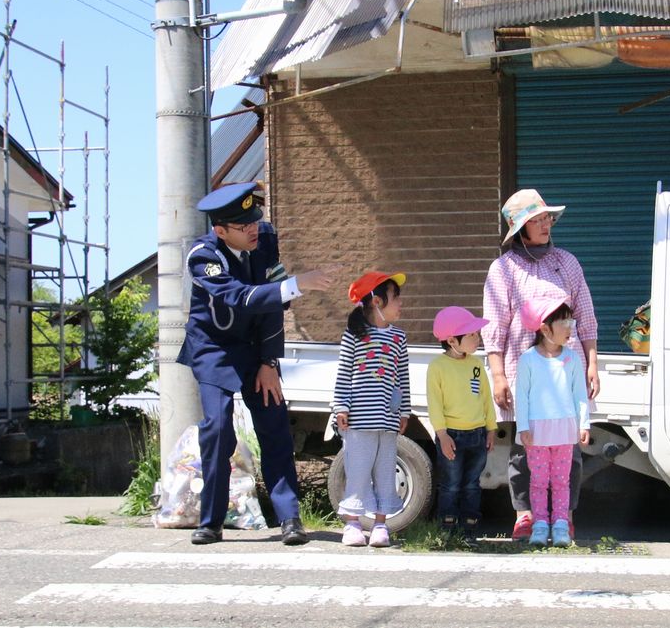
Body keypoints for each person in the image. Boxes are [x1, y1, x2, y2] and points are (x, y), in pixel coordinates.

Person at [177, 181, 336, 546]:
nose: (253, 229)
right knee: (217, 430)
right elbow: (240, 297)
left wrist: (268, 361)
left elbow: (273, 307)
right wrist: (299, 283)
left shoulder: (264, 238)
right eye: (243, 225)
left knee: (274, 423)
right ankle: (211, 520)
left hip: (255, 349)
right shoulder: (203, 256)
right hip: (214, 350)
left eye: (254, 220)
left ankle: (290, 518)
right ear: (220, 230)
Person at [481, 188, 600, 541]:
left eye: (547, 217)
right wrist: (499, 375)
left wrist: (592, 363)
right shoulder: (503, 269)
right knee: (524, 447)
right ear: (520, 229)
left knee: (569, 449)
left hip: (567, 371)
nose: (545, 224)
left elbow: (586, 316)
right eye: (536, 220)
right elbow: (495, 325)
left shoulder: (567, 262)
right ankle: (526, 516)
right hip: (525, 372)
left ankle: (563, 517)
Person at [331, 271, 411, 548]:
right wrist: (341, 406)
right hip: (358, 420)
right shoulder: (353, 336)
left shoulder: (399, 338)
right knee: (358, 469)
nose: (401, 303)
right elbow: (343, 374)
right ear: (377, 301)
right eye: (396, 298)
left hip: (388, 419)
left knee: (386, 471)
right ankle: (352, 523)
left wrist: (404, 411)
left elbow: (402, 377)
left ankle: (380, 524)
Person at [515, 295, 591, 547]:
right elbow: (521, 396)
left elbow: (580, 393)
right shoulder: (528, 359)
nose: (570, 327)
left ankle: (560, 523)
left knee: (561, 481)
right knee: (537, 481)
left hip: (564, 430)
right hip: (536, 432)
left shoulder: (571, 358)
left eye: (571, 321)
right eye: (564, 322)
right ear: (545, 329)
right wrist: (523, 427)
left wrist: (584, 424)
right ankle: (539, 524)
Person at [426, 306, 496, 547]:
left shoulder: (476, 364)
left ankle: (469, 529)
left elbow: (485, 397)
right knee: (451, 484)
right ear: (452, 340)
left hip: (477, 435)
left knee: (472, 484)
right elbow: (434, 404)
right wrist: (442, 434)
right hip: (451, 436)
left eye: (477, 334)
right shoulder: (437, 367)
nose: (477, 338)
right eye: (472, 335)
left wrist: (491, 428)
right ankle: (446, 529)